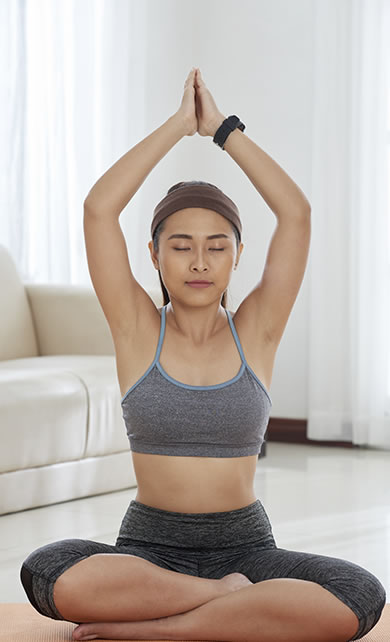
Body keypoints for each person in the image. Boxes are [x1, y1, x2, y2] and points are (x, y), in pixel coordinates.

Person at [20, 67, 385, 642]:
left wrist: (221, 129)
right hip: (147, 551)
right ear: (154, 255)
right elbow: (98, 210)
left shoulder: (257, 332)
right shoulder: (137, 329)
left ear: (238, 256)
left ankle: (162, 630)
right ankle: (220, 603)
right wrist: (176, 126)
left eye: (217, 247)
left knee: (361, 595)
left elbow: (297, 214)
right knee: (46, 570)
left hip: (246, 548)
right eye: (181, 246)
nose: (199, 262)